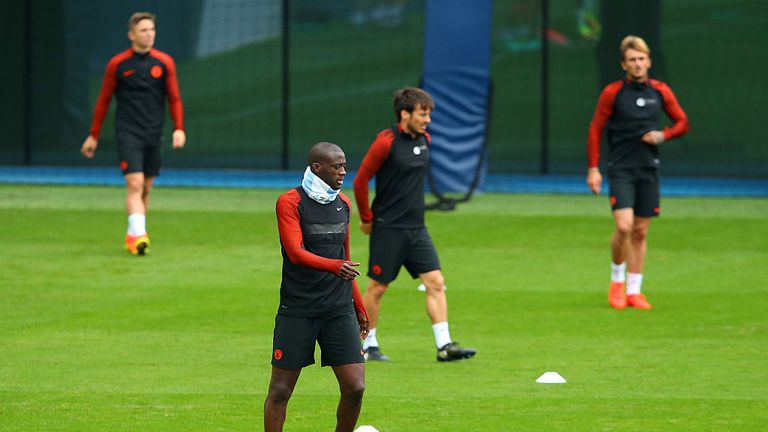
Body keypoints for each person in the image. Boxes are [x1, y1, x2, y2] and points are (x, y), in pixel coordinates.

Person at [353, 87, 476, 362]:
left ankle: (444, 346)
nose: (427, 119)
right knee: (378, 288)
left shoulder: (425, 139)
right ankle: (368, 344)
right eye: (423, 113)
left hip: (417, 229)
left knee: (435, 282)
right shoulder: (386, 142)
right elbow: (361, 180)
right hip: (388, 228)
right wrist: (367, 219)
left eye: (429, 113)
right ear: (405, 114)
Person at [264, 142, 370, 432]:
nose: (343, 172)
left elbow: (345, 260)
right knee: (281, 391)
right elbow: (295, 253)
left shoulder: (344, 204)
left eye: (345, 165)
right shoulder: (289, 202)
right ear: (316, 167)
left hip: (338, 309)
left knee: (355, 386)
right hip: (298, 310)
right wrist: (334, 267)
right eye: (337, 166)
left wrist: (359, 307)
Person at [586, 35, 689, 309]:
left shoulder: (660, 91)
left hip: (648, 168)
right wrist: (593, 169)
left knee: (640, 231)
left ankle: (634, 290)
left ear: (649, 62)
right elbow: (595, 128)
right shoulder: (613, 93)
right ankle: (616, 282)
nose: (638, 64)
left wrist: (663, 135)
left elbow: (682, 122)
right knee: (623, 227)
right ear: (624, 64)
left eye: (642, 59)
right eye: (632, 60)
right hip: (620, 168)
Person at [80, 12, 186, 255]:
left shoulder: (164, 62)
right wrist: (93, 134)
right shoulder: (117, 64)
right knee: (135, 183)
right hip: (128, 132)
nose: (149, 34)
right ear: (132, 35)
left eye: (152, 30)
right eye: (143, 30)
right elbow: (104, 100)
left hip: (154, 133)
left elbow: (174, 98)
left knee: (146, 188)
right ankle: (139, 235)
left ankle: (135, 234)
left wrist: (178, 128)